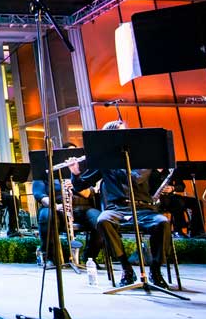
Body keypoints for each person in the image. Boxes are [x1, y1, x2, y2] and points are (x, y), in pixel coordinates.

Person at [72, 120, 172, 288]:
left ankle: (155, 269)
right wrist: (75, 173)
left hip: (143, 208)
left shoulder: (142, 158)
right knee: (103, 221)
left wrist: (112, 163)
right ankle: (126, 269)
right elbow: (81, 185)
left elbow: (135, 178)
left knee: (162, 223)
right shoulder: (103, 161)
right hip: (117, 208)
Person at [33, 144, 100, 268]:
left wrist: (75, 182)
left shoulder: (82, 171)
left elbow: (89, 194)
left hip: (82, 208)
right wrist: (54, 206)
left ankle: (90, 257)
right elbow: (39, 194)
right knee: (47, 215)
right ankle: (50, 257)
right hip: (57, 208)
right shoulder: (45, 172)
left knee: (100, 220)